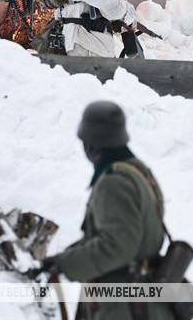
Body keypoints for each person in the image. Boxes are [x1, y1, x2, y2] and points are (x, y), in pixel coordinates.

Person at [35, 101, 175, 320]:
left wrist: (64, 265)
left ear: (90, 145)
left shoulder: (114, 181)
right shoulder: (139, 171)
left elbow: (117, 247)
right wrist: (62, 259)